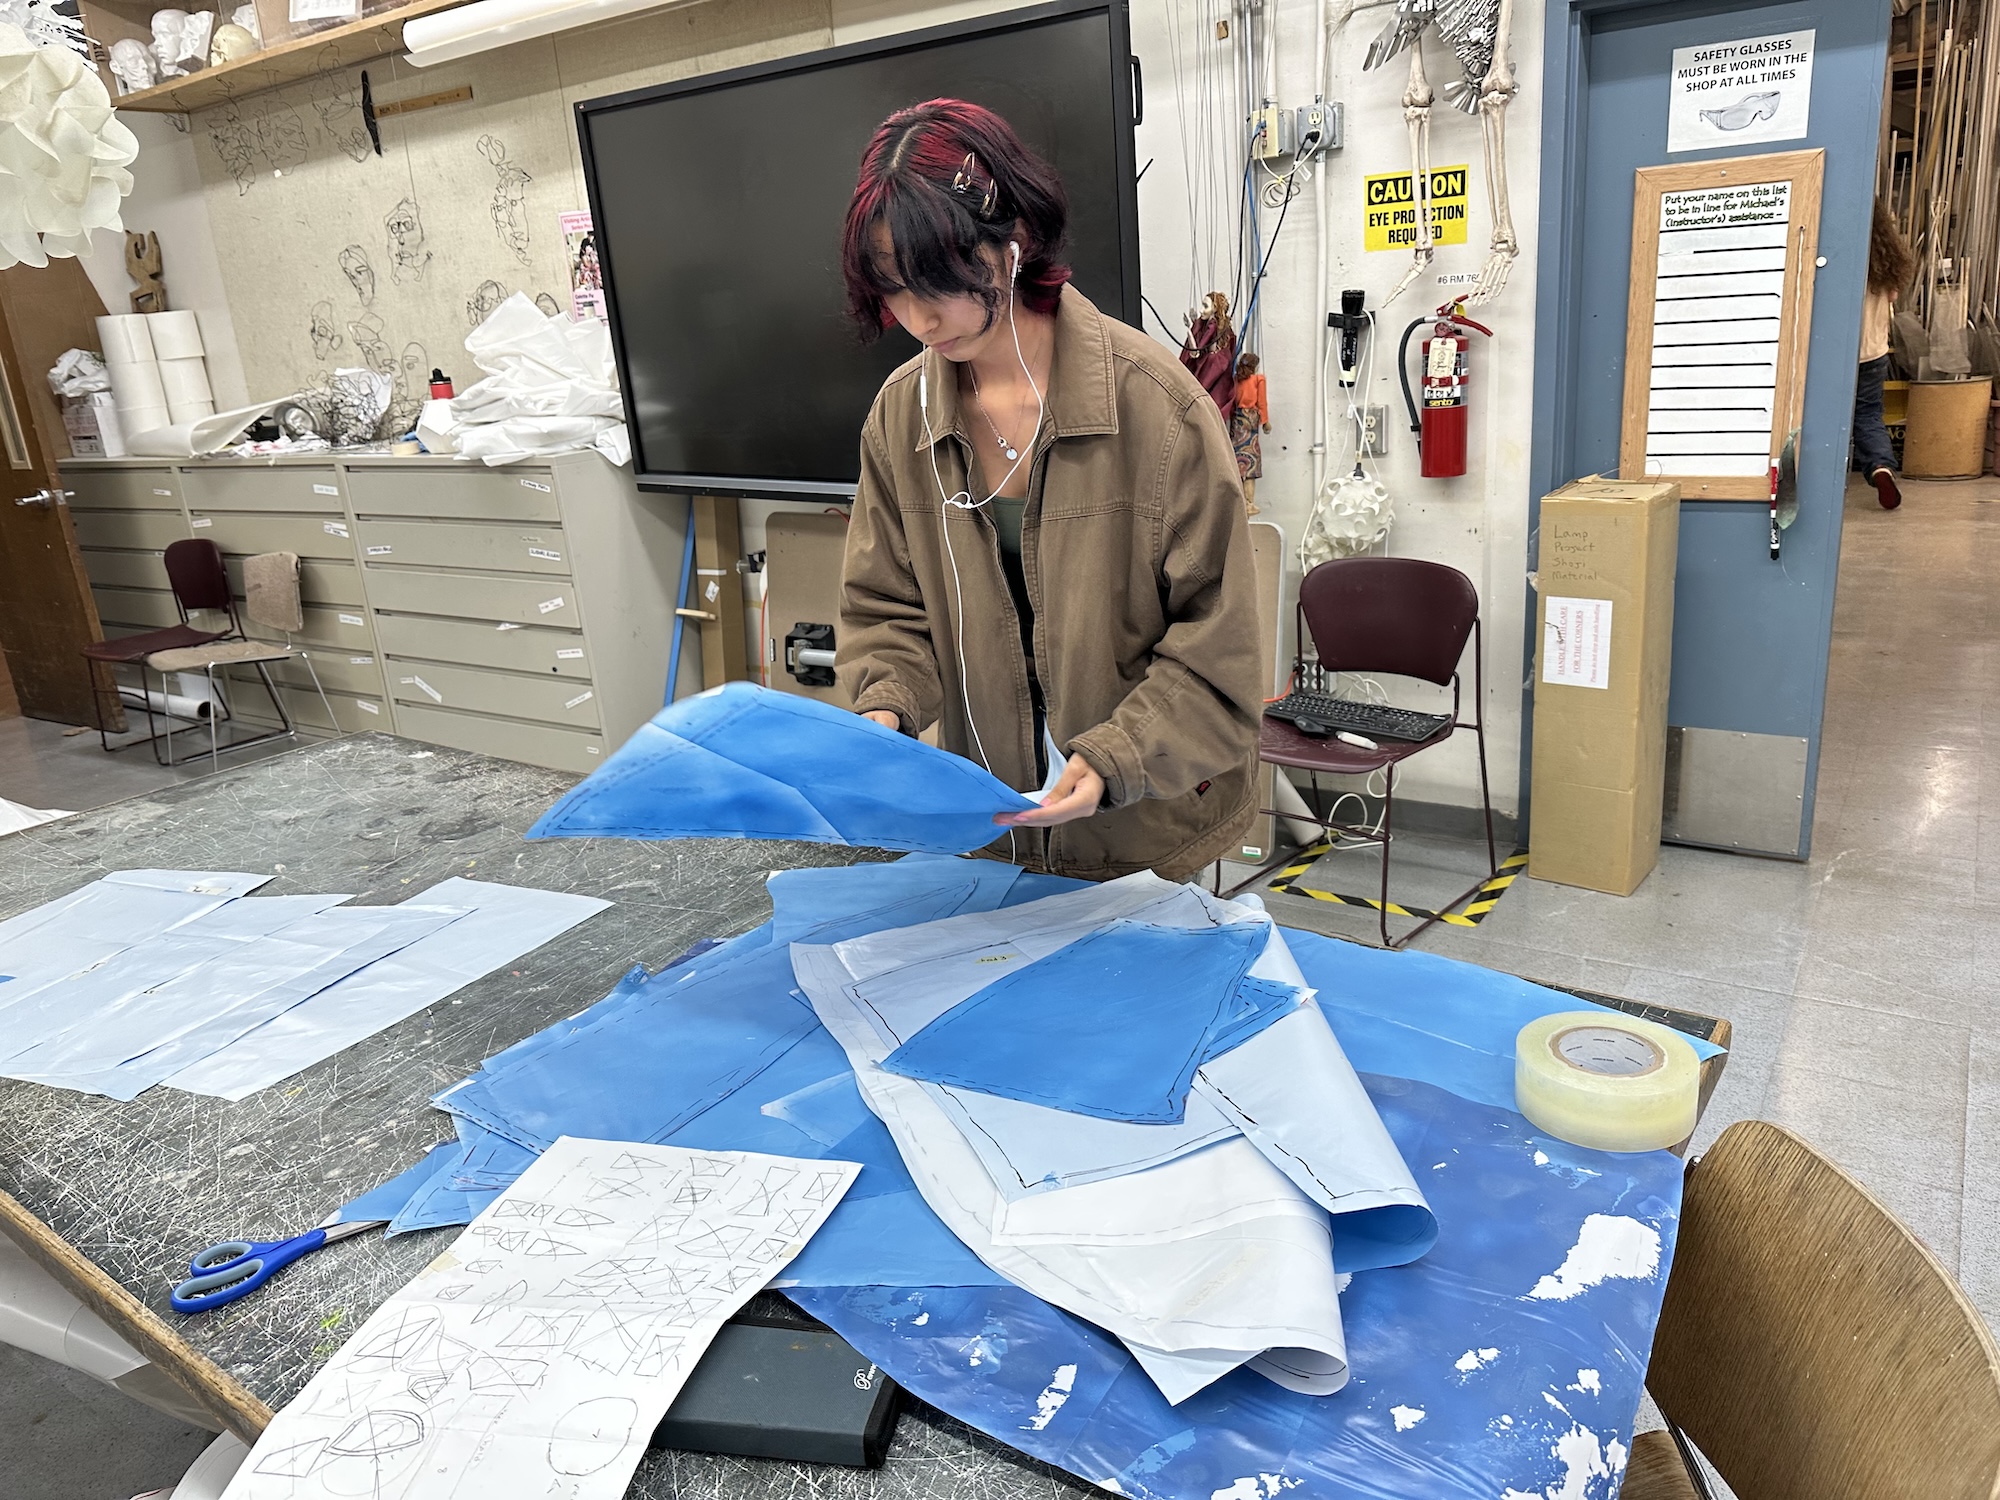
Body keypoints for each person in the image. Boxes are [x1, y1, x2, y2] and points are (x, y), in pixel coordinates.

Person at [835, 99, 1264, 884]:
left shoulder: (1157, 409)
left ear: (1014, 240)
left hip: (1144, 826)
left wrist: (1117, 756)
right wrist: (885, 705)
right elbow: (886, 609)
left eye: (941, 279)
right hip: (993, 825)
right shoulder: (901, 418)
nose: (920, 317)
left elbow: (1219, 649)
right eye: (894, 289)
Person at [1854, 199, 1915, 510]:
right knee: (1868, 415)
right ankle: (1880, 467)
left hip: (1836, 353)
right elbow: (1892, 295)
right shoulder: (1885, 256)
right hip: (1874, 352)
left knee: (1822, 416)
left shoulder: (1840, 251)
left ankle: (1818, 476)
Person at [1232, 351, 1269, 516]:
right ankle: (1249, 503)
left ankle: (1241, 502)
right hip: (1251, 419)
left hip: (1237, 420)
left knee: (1239, 461)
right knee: (1251, 463)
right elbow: (1262, 402)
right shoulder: (1258, 379)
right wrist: (1265, 421)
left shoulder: (1237, 379)